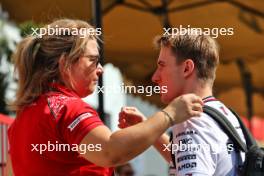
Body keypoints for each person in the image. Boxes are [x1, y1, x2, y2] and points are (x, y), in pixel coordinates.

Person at [7, 19, 203, 176]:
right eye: (93, 60)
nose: (100, 69)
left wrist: (149, 126)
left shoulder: (23, 117)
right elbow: (110, 151)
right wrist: (169, 114)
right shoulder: (67, 107)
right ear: (65, 63)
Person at [119, 33, 246, 176]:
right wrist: (151, 128)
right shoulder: (225, 114)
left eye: (162, 66)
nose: (155, 77)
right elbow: (186, 160)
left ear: (187, 68)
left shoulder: (192, 121)